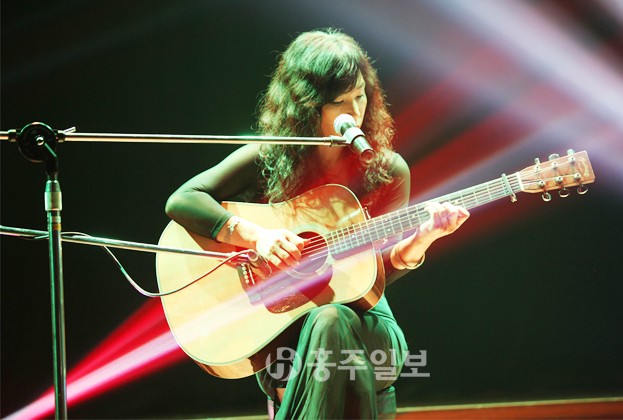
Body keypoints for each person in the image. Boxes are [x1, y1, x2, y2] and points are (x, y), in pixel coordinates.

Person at [165, 28, 469, 419]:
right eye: (338, 102)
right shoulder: (268, 159)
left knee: (333, 318)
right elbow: (183, 200)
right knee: (327, 321)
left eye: (360, 96)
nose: (354, 111)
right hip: (286, 331)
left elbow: (373, 275)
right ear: (307, 107)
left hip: (368, 328)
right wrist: (257, 237)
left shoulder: (388, 172)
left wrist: (420, 242)